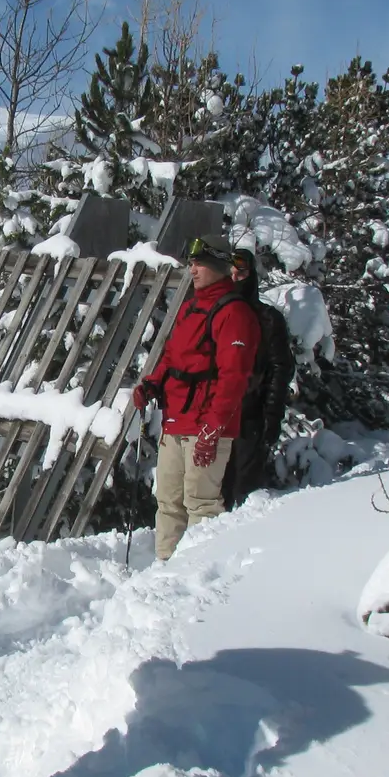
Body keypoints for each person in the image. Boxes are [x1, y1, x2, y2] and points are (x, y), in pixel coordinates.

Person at [131, 234, 260, 561]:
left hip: (205, 427)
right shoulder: (191, 307)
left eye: (199, 262)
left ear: (218, 265)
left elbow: (234, 377)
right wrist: (151, 384)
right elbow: (172, 357)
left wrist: (213, 429)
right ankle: (165, 568)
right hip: (175, 421)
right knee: (168, 502)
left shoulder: (235, 313)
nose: (192, 268)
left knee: (201, 504)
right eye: (191, 262)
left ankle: (197, 574)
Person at [222, 248, 294, 509]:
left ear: (251, 275)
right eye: (229, 272)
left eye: (240, 272)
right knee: (212, 495)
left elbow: (280, 368)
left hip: (250, 417)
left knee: (244, 493)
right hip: (215, 417)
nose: (235, 278)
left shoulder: (268, 318)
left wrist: (272, 415)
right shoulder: (217, 314)